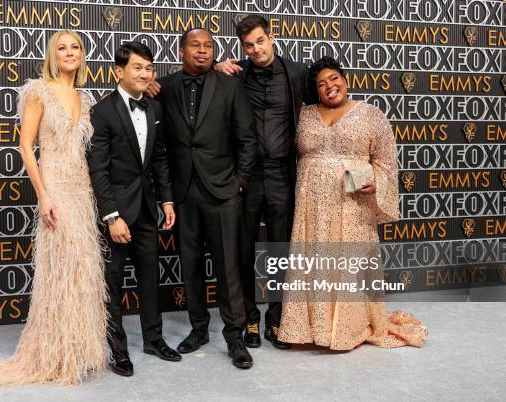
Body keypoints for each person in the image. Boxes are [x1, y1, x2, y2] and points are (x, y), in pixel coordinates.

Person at [0, 30, 109, 388]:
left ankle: (74, 352)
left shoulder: (85, 98)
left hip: (83, 192)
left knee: (81, 275)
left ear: (82, 54)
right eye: (61, 47)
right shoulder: (37, 91)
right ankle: (53, 353)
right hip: (56, 191)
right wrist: (44, 196)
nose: (69, 52)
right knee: (59, 275)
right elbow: (25, 147)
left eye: (75, 47)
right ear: (52, 54)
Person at [278, 56, 428, 350]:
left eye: (334, 78)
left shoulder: (372, 114)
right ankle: (311, 329)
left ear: (345, 79)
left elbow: (386, 163)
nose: (329, 86)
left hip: (353, 204)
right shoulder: (304, 114)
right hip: (312, 206)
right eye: (321, 84)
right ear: (315, 90)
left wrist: (376, 183)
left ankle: (349, 329)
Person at [151, 28, 257, 368]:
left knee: (229, 268)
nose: (202, 51)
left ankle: (235, 336)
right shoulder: (164, 88)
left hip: (223, 191)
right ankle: (198, 329)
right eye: (195, 45)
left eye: (209, 46)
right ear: (181, 50)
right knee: (191, 264)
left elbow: (247, 139)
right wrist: (167, 193)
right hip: (183, 193)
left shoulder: (230, 85)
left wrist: (239, 181)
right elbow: (159, 145)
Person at [213, 15, 314, 350]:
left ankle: (276, 320)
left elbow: (327, 105)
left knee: (279, 251)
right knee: (242, 250)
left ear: (272, 37)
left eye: (259, 41)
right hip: (246, 176)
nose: (254, 49)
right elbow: (200, 85)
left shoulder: (298, 72)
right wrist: (214, 67)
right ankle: (249, 320)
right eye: (248, 45)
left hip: (283, 175)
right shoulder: (234, 74)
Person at [87, 42, 181, 377]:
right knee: (113, 283)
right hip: (116, 212)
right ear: (119, 72)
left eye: (149, 68)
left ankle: (154, 340)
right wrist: (111, 216)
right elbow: (97, 170)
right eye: (138, 67)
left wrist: (166, 200)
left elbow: (159, 161)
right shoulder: (102, 112)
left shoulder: (154, 109)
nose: (145, 74)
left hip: (146, 209)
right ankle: (118, 350)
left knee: (150, 277)